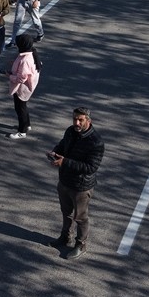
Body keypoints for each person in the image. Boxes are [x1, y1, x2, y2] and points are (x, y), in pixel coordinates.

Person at [49, 107, 106, 260]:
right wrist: (55, 152)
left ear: (89, 121)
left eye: (80, 120)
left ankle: (81, 244)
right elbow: (63, 144)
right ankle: (65, 237)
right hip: (65, 181)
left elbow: (90, 168)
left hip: (81, 187)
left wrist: (65, 162)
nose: (77, 122)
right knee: (65, 212)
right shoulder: (70, 131)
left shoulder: (96, 142)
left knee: (80, 217)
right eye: (75, 119)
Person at [7, 34, 41, 139]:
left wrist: (10, 76)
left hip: (22, 88)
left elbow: (21, 78)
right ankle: (27, 124)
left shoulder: (25, 59)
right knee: (23, 106)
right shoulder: (30, 53)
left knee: (20, 108)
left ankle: (22, 131)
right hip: (29, 86)